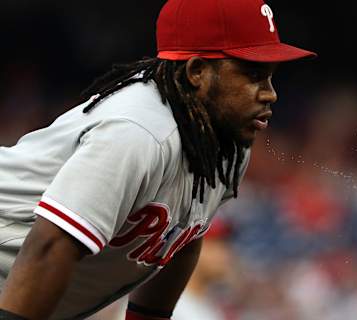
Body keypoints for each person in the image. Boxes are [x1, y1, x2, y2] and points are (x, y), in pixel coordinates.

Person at [0, 0, 316, 319]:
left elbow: (183, 240)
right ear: (197, 72)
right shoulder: (138, 131)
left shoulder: (223, 142)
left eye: (270, 77)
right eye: (253, 74)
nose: (269, 93)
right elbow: (50, 246)